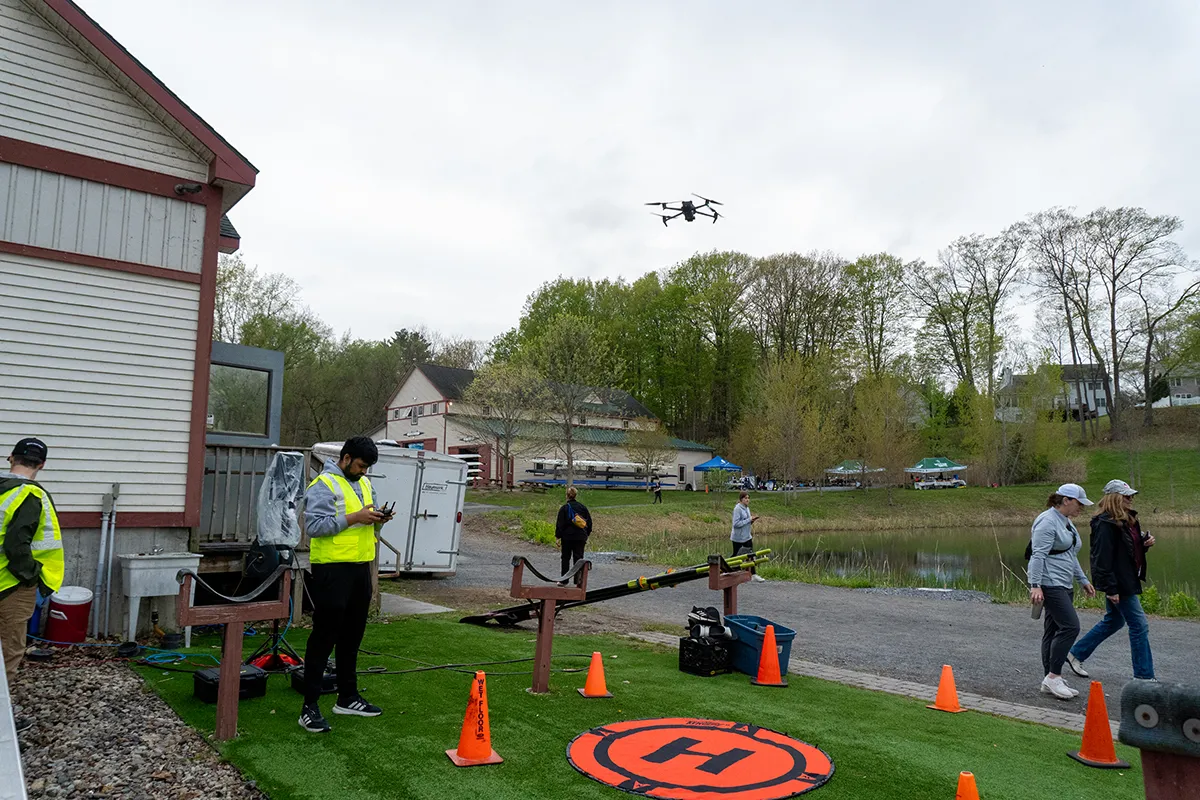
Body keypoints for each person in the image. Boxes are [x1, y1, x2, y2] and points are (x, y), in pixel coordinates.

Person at [299, 437, 395, 734]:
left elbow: (368, 523)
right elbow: (314, 527)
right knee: (324, 637)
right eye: (361, 465)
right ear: (346, 458)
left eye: (367, 467)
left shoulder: (365, 484)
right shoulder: (323, 485)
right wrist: (355, 517)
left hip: (359, 569)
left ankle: (347, 697)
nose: (364, 471)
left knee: (352, 636)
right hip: (331, 570)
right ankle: (309, 707)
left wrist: (379, 519)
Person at [0, 438, 64, 735]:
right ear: (41, 465)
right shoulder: (29, 496)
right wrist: (30, 576)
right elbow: (17, 545)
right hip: (11, 587)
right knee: (9, 650)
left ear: (10, 457)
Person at [1066, 480, 1156, 681]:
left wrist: (1144, 544)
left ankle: (1076, 653)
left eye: (1131, 496)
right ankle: (1144, 677)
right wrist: (1111, 588)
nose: (1131, 499)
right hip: (1119, 583)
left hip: (1126, 579)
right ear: (1115, 498)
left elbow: (1126, 551)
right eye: (1127, 496)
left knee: (1114, 620)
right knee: (1139, 625)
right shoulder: (1105, 524)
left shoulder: (1126, 520)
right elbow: (1101, 558)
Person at [1027, 483, 1097, 700]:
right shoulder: (1047, 522)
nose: (1081, 509)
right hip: (1050, 583)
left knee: (1052, 630)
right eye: (1079, 504)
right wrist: (1035, 585)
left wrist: (1083, 580)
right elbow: (1037, 555)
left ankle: (1049, 679)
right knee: (1070, 627)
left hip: (1064, 582)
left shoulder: (1066, 522)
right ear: (1065, 500)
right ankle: (1054, 676)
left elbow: (1069, 555)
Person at [555, 486, 592, 585]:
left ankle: (564, 580)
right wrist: (586, 534)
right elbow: (589, 523)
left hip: (567, 537)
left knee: (565, 558)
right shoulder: (583, 507)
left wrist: (558, 537)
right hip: (580, 537)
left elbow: (560, 524)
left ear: (567, 495)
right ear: (576, 495)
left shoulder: (564, 508)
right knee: (579, 559)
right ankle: (578, 580)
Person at [731, 492, 765, 582]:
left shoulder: (747, 508)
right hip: (738, 538)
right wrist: (748, 519)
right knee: (736, 556)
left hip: (747, 536)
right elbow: (736, 524)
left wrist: (752, 521)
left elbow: (746, 522)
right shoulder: (737, 509)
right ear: (741, 499)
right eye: (745, 498)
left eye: (748, 498)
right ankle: (730, 571)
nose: (747, 500)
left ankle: (753, 574)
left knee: (751, 555)